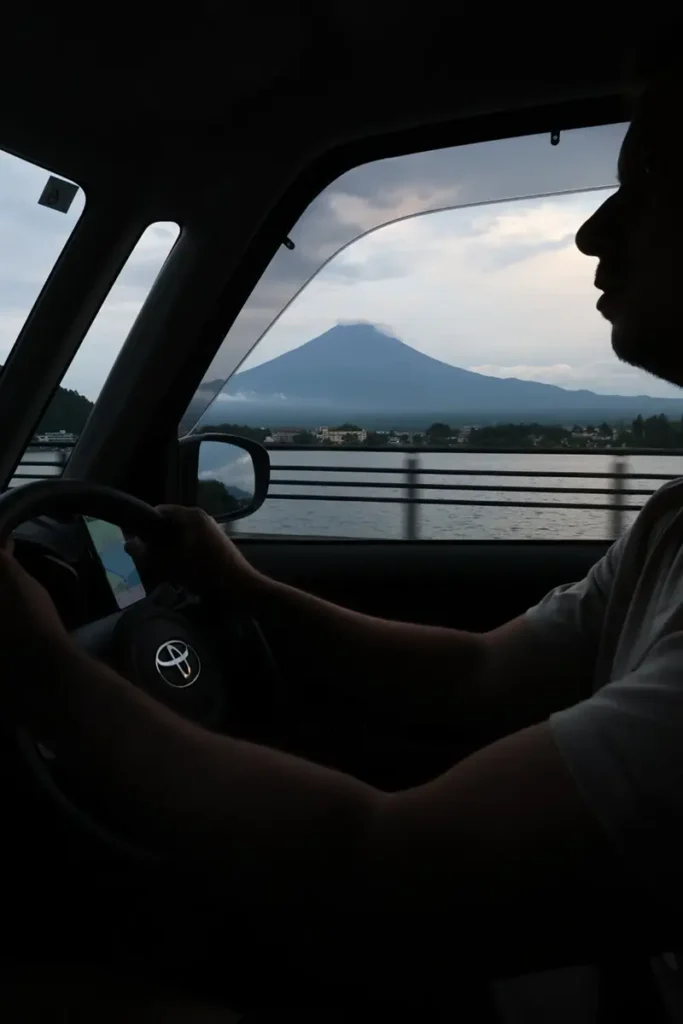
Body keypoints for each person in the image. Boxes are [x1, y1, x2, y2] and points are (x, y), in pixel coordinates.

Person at [3, 71, 683, 966]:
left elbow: (391, 868)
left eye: (646, 190)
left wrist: (38, 666)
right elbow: (479, 671)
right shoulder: (672, 522)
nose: (592, 231)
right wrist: (240, 588)